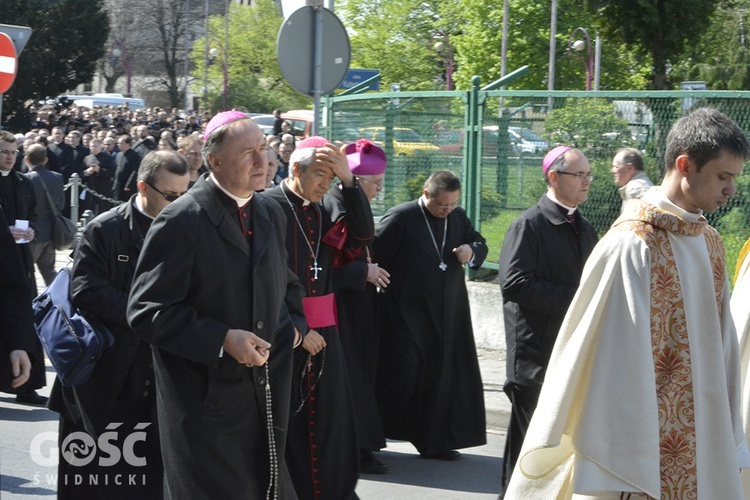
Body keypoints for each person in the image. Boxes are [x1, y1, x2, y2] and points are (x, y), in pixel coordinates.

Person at [505, 107, 750, 499]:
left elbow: (722, 348)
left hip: (705, 437)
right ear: (685, 165)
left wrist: (727, 430)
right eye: (723, 177)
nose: (731, 191)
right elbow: (608, 366)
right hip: (641, 450)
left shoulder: (710, 243)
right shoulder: (631, 244)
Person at [127, 111, 306, 499]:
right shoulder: (182, 219)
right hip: (204, 404)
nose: (262, 162)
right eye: (248, 153)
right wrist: (222, 338)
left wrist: (294, 324)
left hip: (264, 394)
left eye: (264, 149)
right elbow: (147, 310)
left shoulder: (271, 210)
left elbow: (287, 283)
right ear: (215, 161)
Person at [48, 150, 190, 499]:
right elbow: (85, 289)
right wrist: (147, 314)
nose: (179, 203)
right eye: (171, 196)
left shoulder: (188, 230)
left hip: (157, 380)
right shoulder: (106, 228)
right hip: (103, 378)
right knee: (93, 480)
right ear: (143, 187)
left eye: (186, 194)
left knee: (148, 482)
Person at [265, 136, 375, 499]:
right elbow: (261, 281)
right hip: (284, 333)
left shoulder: (323, 208)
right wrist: (297, 327)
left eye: (332, 179)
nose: (325, 185)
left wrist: (349, 181)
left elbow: (361, 235)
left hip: (326, 331)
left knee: (330, 421)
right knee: (288, 423)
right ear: (295, 169)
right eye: (321, 176)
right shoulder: (267, 207)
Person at [497, 146, 598, 497]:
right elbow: (514, 283)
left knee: (547, 453)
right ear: (554, 177)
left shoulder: (583, 228)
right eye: (579, 175)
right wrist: (576, 302)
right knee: (531, 451)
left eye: (589, 175)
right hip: (535, 356)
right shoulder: (529, 224)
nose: (587, 182)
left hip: (568, 355)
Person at [373, 170, 488, 461]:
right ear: (426, 194)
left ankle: (433, 441)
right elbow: (373, 256)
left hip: (448, 313)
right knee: (405, 374)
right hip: (405, 314)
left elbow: (478, 242)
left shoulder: (457, 217)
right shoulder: (400, 217)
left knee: (440, 378)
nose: (447, 210)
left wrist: (469, 250)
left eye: (451, 205)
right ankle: (372, 437)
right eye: (441, 206)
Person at [325, 139, 390, 474]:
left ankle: (363, 443)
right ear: (354, 181)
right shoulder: (335, 205)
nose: (379, 190)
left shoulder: (349, 201)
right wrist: (361, 271)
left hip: (359, 304)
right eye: (376, 183)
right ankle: (357, 447)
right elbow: (323, 265)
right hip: (341, 305)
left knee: (361, 374)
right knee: (349, 376)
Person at [25, 144, 65, 287]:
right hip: (51, 231)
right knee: (49, 272)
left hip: (32, 233)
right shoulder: (57, 177)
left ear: (26, 160)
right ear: (46, 160)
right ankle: (56, 303)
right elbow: (62, 204)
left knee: (26, 271)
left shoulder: (24, 179)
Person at [611, 147, 654, 211]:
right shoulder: (642, 184)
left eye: (616, 167)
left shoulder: (635, 187)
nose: (612, 171)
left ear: (630, 168)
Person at [112, 135, 141, 201]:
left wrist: (129, 185)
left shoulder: (135, 156)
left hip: (127, 186)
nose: (119, 145)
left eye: (121, 143)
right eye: (118, 143)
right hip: (118, 184)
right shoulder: (119, 155)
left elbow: (135, 171)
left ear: (128, 144)